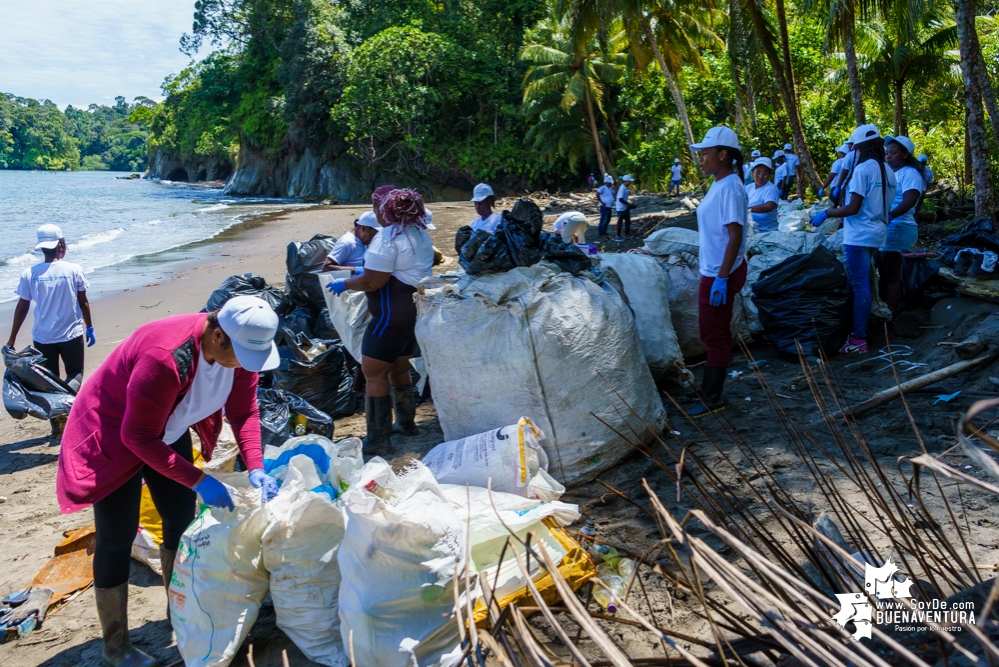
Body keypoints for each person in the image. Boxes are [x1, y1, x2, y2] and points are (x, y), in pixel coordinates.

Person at [55, 295, 281, 667]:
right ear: (218, 335)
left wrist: (255, 464)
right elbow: (138, 437)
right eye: (239, 355)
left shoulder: (239, 351)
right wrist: (200, 480)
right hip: (115, 432)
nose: (244, 365)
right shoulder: (165, 356)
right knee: (117, 535)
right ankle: (116, 647)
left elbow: (244, 411)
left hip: (165, 424)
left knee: (181, 520)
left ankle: (181, 611)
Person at [327, 188, 434, 456]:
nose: (376, 213)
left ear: (386, 210)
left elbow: (374, 281)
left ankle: (378, 438)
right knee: (399, 368)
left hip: (388, 315)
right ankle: (407, 424)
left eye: (377, 208)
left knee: (374, 372)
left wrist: (346, 283)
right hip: (412, 313)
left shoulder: (388, 236)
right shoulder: (419, 233)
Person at [810, 124, 896, 354]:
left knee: (860, 286)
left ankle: (859, 339)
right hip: (877, 232)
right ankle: (854, 327)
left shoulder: (862, 170)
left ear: (858, 149)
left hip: (858, 235)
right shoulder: (887, 170)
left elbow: (853, 207)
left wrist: (826, 213)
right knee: (860, 284)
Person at [5, 224, 95, 438]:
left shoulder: (30, 273)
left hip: (43, 337)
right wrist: (90, 326)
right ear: (61, 244)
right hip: (70, 334)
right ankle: (67, 409)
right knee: (75, 373)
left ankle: (57, 425)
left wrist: (12, 339)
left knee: (50, 380)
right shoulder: (73, 269)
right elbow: (83, 302)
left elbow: (22, 307)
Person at [688, 126, 748, 417]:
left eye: (705, 154)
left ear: (723, 154)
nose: (701, 159)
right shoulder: (719, 183)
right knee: (710, 330)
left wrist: (722, 278)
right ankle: (708, 388)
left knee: (714, 334)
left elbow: (735, 236)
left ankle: (712, 396)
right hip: (714, 269)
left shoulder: (731, 188)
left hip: (721, 272)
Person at [878, 136, 926, 311]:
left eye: (893, 152)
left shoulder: (910, 173)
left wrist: (890, 216)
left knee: (892, 274)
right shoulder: (892, 173)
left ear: (905, 154)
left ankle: (892, 310)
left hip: (900, 226)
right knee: (883, 270)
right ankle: (886, 306)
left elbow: (910, 199)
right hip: (888, 226)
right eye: (887, 153)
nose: (888, 156)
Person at [745, 157, 780, 232]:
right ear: (752, 173)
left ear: (769, 175)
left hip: (765, 231)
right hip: (751, 229)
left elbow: (769, 206)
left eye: (765, 173)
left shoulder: (771, 188)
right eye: (758, 172)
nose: (760, 176)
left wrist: (748, 209)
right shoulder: (748, 188)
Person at [615, 175, 635, 242]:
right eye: (630, 181)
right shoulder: (622, 188)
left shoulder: (625, 187)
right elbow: (620, 199)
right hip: (621, 208)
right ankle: (617, 236)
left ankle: (627, 233)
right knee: (619, 222)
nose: (630, 183)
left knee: (628, 221)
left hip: (625, 207)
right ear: (626, 181)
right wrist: (628, 204)